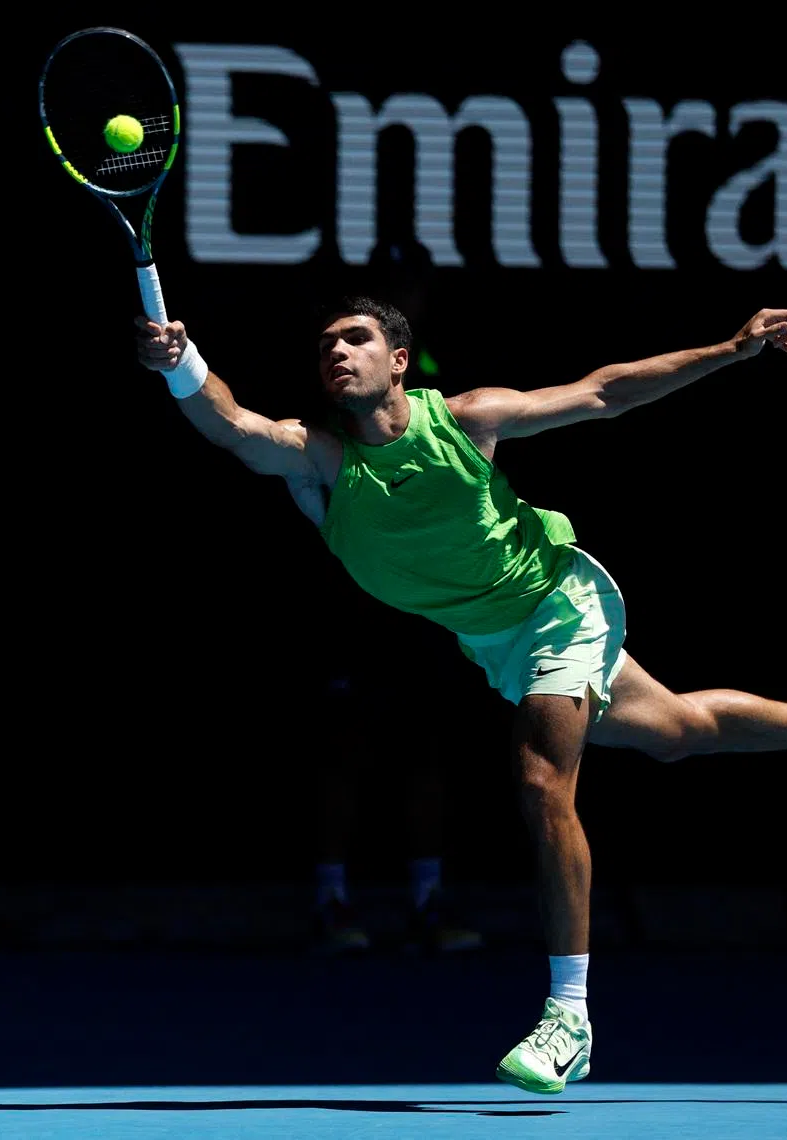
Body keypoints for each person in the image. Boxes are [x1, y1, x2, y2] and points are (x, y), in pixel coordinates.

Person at [134, 294, 787, 1094]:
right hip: (498, 646)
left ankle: (570, 1016)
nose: (337, 352)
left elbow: (604, 391)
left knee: (541, 779)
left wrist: (730, 348)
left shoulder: (469, 421)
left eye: (357, 338)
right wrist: (184, 369)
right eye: (325, 345)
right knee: (680, 729)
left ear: (399, 361)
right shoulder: (320, 457)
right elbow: (235, 425)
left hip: (558, 602)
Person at [308, 237, 485, 957]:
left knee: (426, 749)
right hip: (354, 594)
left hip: (431, 598)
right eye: (394, 282)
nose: (406, 293)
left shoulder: (439, 380)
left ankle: (427, 899)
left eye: (414, 283)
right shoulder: (341, 372)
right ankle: (330, 898)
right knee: (346, 748)